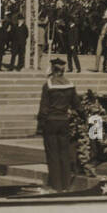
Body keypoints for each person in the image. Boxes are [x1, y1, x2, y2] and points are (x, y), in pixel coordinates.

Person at [37, 57, 79, 191]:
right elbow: (77, 105)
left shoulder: (48, 85)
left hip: (50, 121)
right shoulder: (70, 85)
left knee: (52, 154)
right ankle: (66, 184)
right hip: (64, 121)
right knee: (64, 152)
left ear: (52, 70)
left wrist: (40, 126)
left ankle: (56, 185)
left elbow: (43, 107)